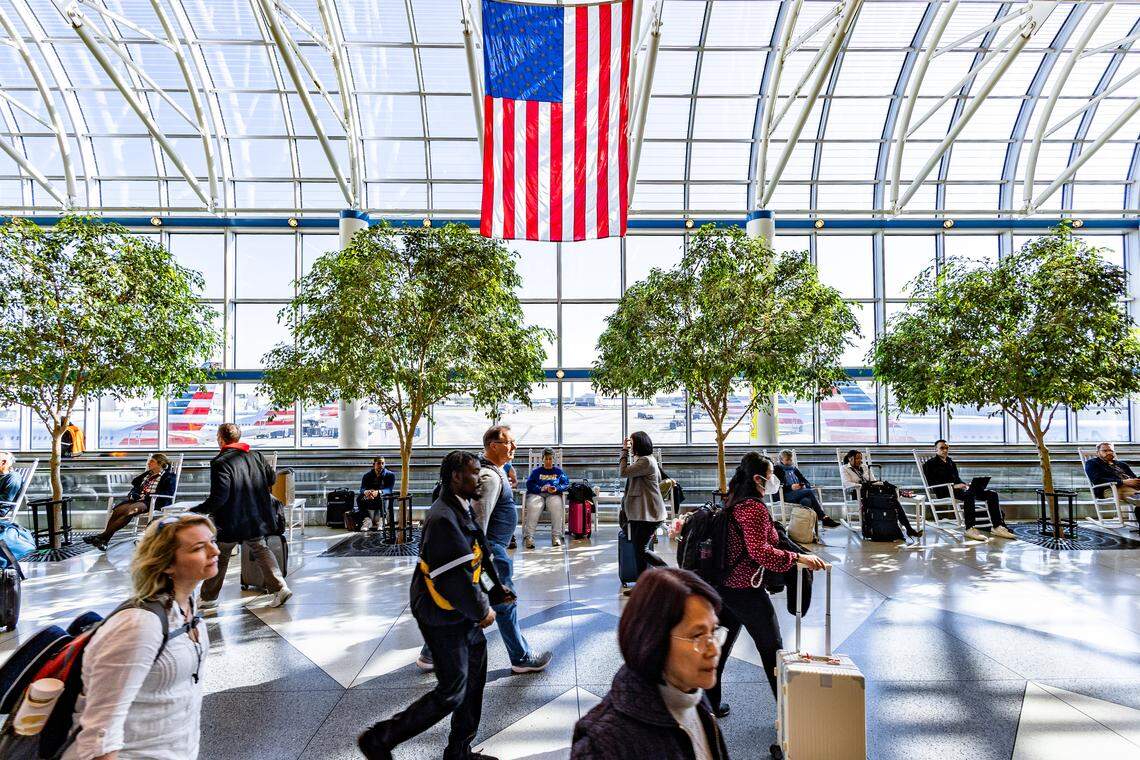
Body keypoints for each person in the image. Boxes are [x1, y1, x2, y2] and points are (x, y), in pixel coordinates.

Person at [358, 452, 501, 760]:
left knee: (473, 676)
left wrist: (495, 589)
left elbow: (476, 554)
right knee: (451, 691)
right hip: (442, 615)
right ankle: (379, 738)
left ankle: (459, 750)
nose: (480, 478)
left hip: (456, 610)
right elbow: (455, 579)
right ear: (456, 477)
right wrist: (483, 610)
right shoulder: (443, 518)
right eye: (474, 473)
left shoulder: (457, 506)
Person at [61, 513, 218, 760]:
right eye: (199, 547)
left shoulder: (186, 608)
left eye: (212, 541)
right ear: (167, 564)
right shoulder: (138, 626)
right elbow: (101, 732)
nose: (214, 551)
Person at [418, 426, 551, 675]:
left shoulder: (491, 472)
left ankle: (430, 652)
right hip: (491, 554)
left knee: (468, 602)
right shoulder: (489, 478)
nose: (514, 447)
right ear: (493, 445)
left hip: (488, 553)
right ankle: (520, 657)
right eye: (509, 442)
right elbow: (477, 523)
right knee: (504, 602)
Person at [707, 453, 827, 720]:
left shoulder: (733, 501)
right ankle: (790, 718)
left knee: (720, 647)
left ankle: (710, 705)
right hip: (745, 591)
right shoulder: (753, 508)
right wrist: (798, 557)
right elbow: (760, 552)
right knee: (772, 649)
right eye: (771, 474)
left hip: (725, 587)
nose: (774, 479)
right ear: (758, 478)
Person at [571, 568, 730, 760]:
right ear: (654, 640)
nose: (713, 650)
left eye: (713, 631)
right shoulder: (603, 746)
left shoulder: (691, 694)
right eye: (697, 635)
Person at [191, 423, 292, 609]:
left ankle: (208, 597)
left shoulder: (220, 462)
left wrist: (197, 510)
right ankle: (280, 587)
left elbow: (220, 497)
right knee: (261, 549)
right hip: (256, 515)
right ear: (238, 437)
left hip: (231, 520)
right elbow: (271, 479)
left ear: (220, 439)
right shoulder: (256, 456)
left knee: (220, 555)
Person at [922, 440, 1015, 541]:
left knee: (992, 494)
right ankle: (969, 528)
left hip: (958, 490)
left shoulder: (950, 461)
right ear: (935, 449)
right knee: (969, 496)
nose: (945, 450)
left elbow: (957, 479)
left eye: (946, 448)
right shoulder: (930, 464)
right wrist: (955, 486)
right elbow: (933, 485)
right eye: (942, 448)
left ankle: (997, 526)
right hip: (944, 491)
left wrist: (966, 485)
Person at [83, 453, 177, 551]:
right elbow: (136, 487)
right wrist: (134, 493)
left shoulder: (169, 476)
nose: (149, 463)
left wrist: (150, 495)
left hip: (153, 501)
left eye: (152, 461)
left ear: (160, 463)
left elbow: (169, 492)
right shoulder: (147, 475)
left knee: (130, 511)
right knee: (117, 511)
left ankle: (101, 537)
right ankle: (104, 540)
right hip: (138, 499)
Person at [620, 431, 668, 590]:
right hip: (642, 513)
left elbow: (623, 472)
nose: (630, 446)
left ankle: (668, 572)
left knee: (641, 549)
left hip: (650, 514)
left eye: (632, 444)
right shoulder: (644, 460)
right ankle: (641, 586)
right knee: (638, 550)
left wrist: (623, 452)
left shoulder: (646, 462)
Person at [841, 449, 923, 539]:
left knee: (892, 501)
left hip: (872, 493)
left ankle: (908, 528)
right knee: (890, 501)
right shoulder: (845, 468)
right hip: (858, 492)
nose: (859, 460)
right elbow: (846, 483)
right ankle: (907, 529)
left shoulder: (864, 467)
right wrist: (861, 485)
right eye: (857, 458)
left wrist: (879, 484)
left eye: (860, 458)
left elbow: (873, 480)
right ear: (850, 459)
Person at [774, 449, 839, 528]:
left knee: (806, 501)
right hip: (785, 495)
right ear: (781, 460)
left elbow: (805, 481)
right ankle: (823, 517)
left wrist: (804, 485)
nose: (790, 461)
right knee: (809, 492)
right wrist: (791, 487)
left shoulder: (794, 468)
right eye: (787, 460)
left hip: (799, 493)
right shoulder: (777, 469)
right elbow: (776, 486)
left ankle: (805, 528)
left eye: (791, 459)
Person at [1084, 442, 1140, 532]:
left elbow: (1133, 477)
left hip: (1133, 487)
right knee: (1138, 498)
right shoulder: (1092, 463)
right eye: (1105, 450)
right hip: (1112, 488)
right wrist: (1123, 482)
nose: (1109, 452)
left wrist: (1136, 480)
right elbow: (1097, 479)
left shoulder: (1122, 464)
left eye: (1111, 450)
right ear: (1098, 452)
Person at [523, 447, 570, 549]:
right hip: (537, 494)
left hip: (553, 495)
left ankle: (556, 536)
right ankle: (529, 537)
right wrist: (541, 488)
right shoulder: (536, 472)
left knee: (557, 505)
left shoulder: (558, 472)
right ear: (543, 459)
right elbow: (529, 484)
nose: (548, 461)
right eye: (546, 459)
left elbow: (566, 484)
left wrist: (557, 489)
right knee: (533, 506)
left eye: (550, 459)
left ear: (553, 459)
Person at [356, 456, 396, 531]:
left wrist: (378, 492)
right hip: (370, 497)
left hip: (382, 497)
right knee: (359, 498)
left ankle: (382, 520)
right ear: (374, 464)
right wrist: (366, 492)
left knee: (383, 496)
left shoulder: (390, 475)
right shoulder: (367, 475)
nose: (381, 465)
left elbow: (389, 489)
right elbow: (362, 488)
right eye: (379, 463)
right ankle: (367, 520)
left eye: (383, 463)